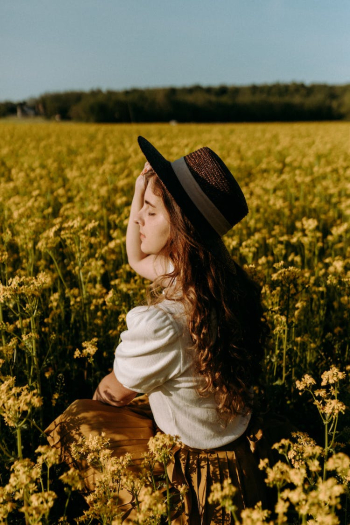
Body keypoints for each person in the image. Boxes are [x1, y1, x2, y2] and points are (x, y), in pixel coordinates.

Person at [45, 136, 282, 524]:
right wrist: (142, 191)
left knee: (78, 420)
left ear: (181, 230)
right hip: (234, 452)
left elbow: (114, 394)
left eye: (151, 212)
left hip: (198, 477)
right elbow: (136, 256)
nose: (138, 217)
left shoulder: (164, 323)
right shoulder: (217, 281)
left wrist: (93, 412)